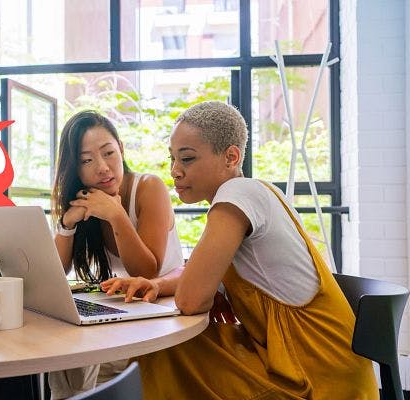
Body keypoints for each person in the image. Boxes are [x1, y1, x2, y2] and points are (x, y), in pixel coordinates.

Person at [101, 101, 379, 399]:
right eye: (172, 159)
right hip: (315, 365)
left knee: (160, 349)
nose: (175, 171)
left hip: (316, 380)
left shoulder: (238, 194)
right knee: (167, 345)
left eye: (188, 159)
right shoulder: (261, 192)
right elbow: (198, 278)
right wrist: (154, 284)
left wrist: (197, 291)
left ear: (231, 157)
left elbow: (191, 299)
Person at [49, 110, 184, 399]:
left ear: (121, 149)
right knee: (65, 353)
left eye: (108, 153)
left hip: (162, 315)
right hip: (126, 313)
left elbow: (146, 271)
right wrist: (68, 224)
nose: (102, 167)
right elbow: (56, 271)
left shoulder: (149, 187)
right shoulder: (86, 199)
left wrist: (116, 215)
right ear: (75, 169)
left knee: (80, 360)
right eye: (87, 160)